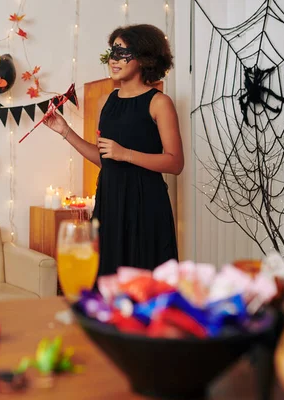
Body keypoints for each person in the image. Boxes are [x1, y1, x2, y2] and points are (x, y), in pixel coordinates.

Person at [44, 24, 183, 276]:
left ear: (143, 58)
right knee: (106, 280)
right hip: (109, 202)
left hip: (145, 204)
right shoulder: (108, 101)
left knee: (145, 284)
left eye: (123, 53)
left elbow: (175, 163)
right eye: (113, 52)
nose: (114, 59)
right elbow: (105, 159)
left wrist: (125, 154)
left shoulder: (159, 102)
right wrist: (65, 131)